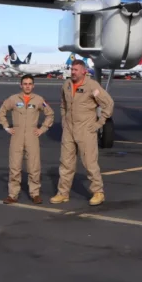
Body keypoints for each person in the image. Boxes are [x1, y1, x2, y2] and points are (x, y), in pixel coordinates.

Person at [50, 58, 113, 206]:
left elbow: (108, 103)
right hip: (69, 130)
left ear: (84, 71)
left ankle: (98, 192)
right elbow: (63, 104)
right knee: (65, 163)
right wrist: (64, 120)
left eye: (76, 70)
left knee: (90, 163)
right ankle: (63, 193)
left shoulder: (92, 86)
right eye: (72, 69)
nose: (72, 72)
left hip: (86, 130)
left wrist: (100, 123)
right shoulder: (66, 85)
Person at [0, 74, 54, 204]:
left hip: (32, 135)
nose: (27, 86)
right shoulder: (13, 99)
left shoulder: (39, 100)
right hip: (16, 134)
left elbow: (50, 114)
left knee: (34, 166)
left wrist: (42, 129)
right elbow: (1, 113)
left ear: (33, 85)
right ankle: (12, 194)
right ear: (21, 85)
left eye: (29, 84)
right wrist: (6, 127)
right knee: (14, 166)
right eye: (25, 84)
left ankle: (35, 193)